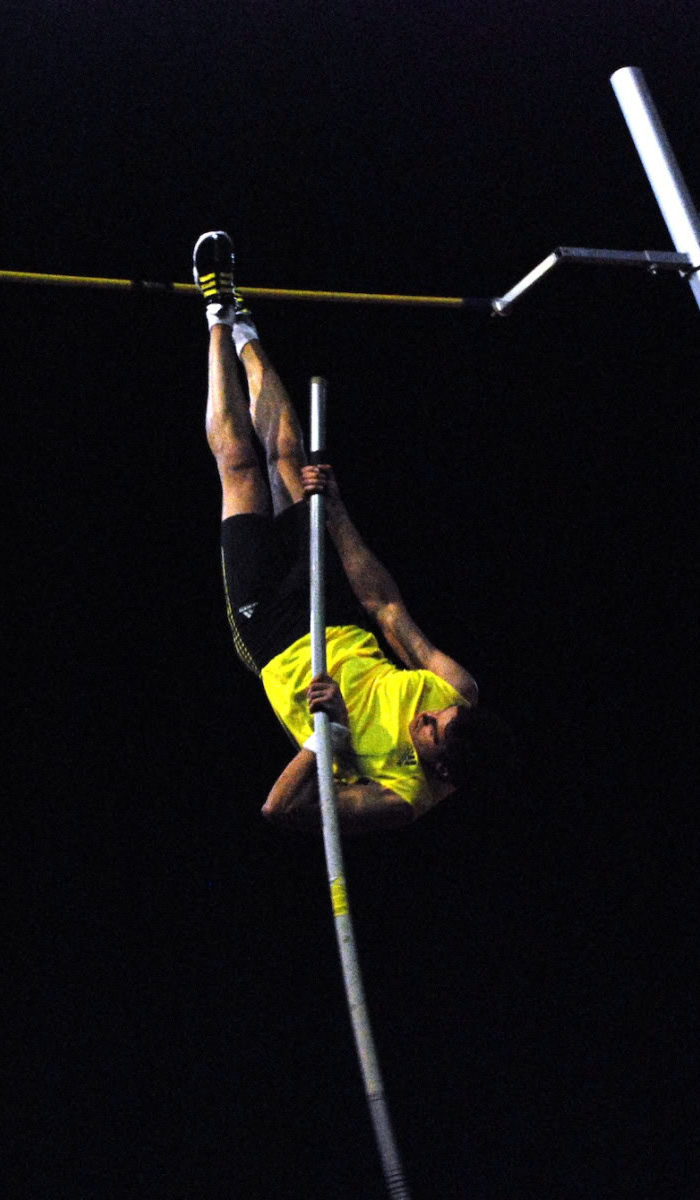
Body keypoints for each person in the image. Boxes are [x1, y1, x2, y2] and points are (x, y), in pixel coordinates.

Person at [196, 230, 511, 834]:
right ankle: (239, 322)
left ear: (441, 766)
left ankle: (211, 318)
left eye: (429, 730)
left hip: (275, 644)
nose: (426, 715)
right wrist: (335, 512)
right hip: (335, 612)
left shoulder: (403, 797)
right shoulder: (457, 692)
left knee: (239, 468)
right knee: (289, 457)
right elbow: (387, 608)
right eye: (437, 714)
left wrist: (330, 738)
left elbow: (280, 810)